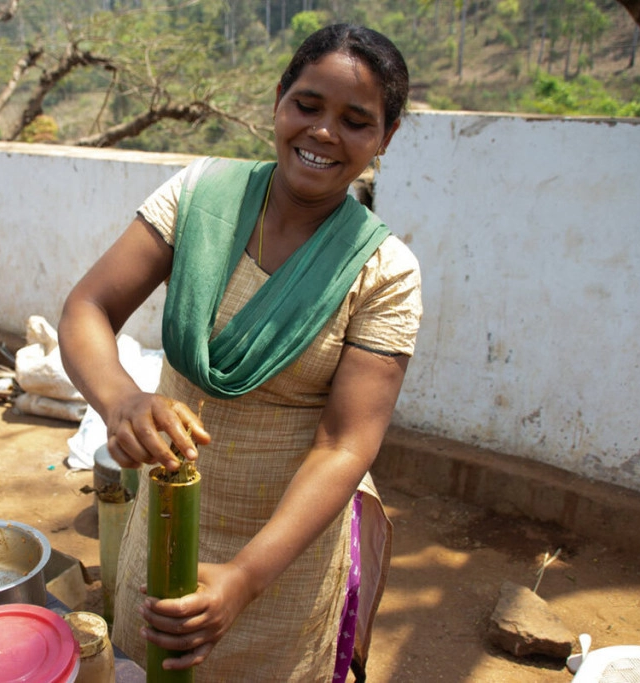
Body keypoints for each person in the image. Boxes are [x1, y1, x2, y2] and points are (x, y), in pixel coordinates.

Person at [58, 23, 422, 683]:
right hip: (166, 525)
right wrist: (120, 397)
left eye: (355, 120)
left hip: (286, 560)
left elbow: (345, 445)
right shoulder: (200, 199)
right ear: (279, 99)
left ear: (385, 138)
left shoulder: (385, 272)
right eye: (307, 105)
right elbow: (88, 306)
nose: (322, 133)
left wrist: (244, 579)